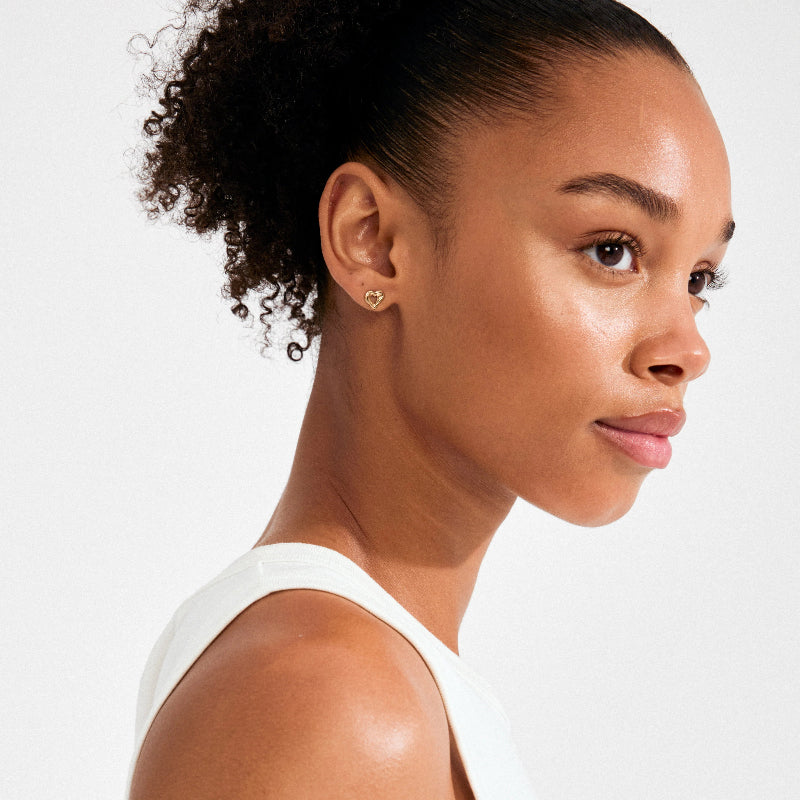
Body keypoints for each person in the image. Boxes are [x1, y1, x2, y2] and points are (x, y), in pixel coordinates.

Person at [127, 1, 734, 798]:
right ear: (371, 238)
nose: (687, 350)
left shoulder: (344, 668)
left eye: (698, 280)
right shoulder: (333, 700)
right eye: (611, 250)